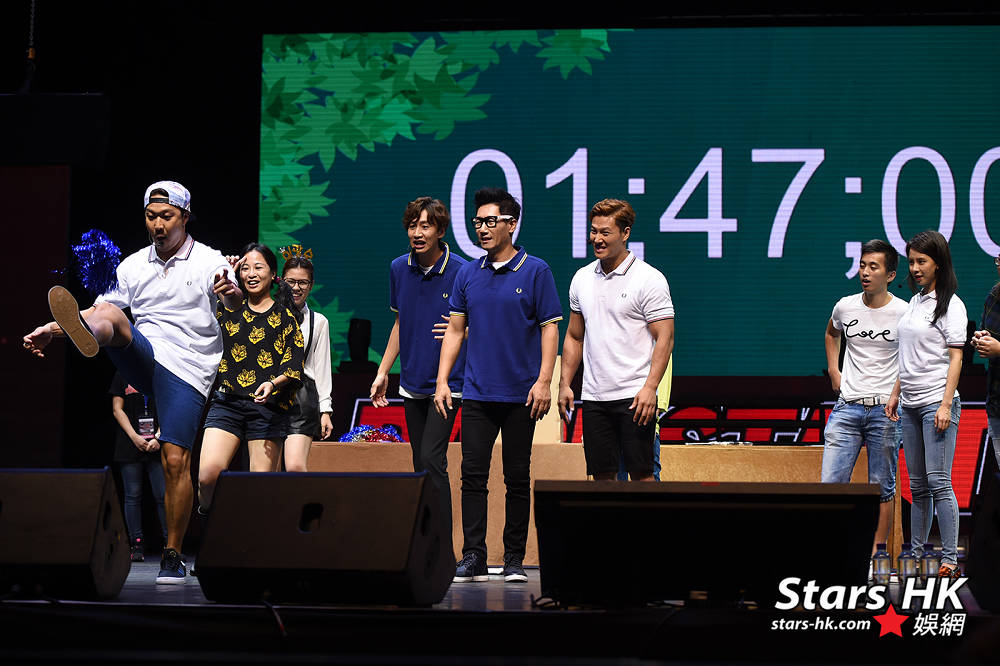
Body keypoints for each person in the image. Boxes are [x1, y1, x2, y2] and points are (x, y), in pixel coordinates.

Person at [23, 181, 241, 584]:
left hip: (189, 368)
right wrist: (52, 329)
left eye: (167, 216)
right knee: (108, 312)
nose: (158, 225)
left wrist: (229, 293)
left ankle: (173, 554)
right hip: (144, 355)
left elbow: (232, 299)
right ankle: (88, 335)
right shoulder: (132, 265)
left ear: (185, 217)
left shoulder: (210, 261)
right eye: (151, 216)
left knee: (174, 460)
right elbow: (96, 308)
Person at [434, 187, 562, 584]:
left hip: (522, 394)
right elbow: (455, 330)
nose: (482, 229)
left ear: (511, 224)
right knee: (472, 476)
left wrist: (544, 382)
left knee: (516, 478)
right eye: (478, 222)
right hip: (476, 393)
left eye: (490, 221)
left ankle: (514, 559)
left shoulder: (536, 270)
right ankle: (473, 556)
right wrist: (442, 380)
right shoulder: (468, 273)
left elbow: (550, 329)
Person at [557, 199, 674, 482]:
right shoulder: (581, 278)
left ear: (625, 233)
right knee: (602, 481)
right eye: (593, 231)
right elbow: (574, 336)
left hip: (635, 398)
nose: (597, 239)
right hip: (595, 398)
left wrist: (650, 388)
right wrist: (564, 384)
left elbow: (665, 337)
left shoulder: (649, 279)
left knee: (643, 477)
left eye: (605, 232)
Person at [371, 197, 467, 534]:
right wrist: (383, 371)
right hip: (412, 382)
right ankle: (427, 541)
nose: (417, 233)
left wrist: (464, 329)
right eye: (413, 226)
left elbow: (483, 321)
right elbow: (401, 323)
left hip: (448, 384)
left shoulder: (462, 271)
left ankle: (442, 544)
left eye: (425, 226)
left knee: (431, 458)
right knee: (420, 463)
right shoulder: (399, 268)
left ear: (440, 230)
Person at [197, 243, 305, 510]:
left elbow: (293, 366)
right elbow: (199, 303)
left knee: (261, 489)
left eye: (259, 267)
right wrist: (222, 270)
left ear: (273, 274)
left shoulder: (286, 317)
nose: (251, 274)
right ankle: (213, 522)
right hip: (227, 403)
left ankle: (257, 533)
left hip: (266, 409)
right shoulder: (226, 307)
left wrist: (273, 384)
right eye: (245, 268)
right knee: (207, 477)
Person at [886, 230, 966, 579]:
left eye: (922, 261)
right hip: (910, 404)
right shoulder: (916, 302)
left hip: (936, 402)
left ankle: (950, 559)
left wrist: (946, 405)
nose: (915, 268)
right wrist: (895, 393)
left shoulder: (951, 305)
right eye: (912, 261)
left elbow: (956, 358)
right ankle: (916, 556)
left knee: (939, 482)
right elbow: (908, 356)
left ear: (938, 263)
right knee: (917, 486)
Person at [820, 239, 906, 559]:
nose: (865, 272)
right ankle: (832, 551)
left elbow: (912, 357)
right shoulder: (845, 306)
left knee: (882, 486)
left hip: (885, 410)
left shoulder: (904, 312)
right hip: (847, 407)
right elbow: (831, 333)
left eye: (873, 267)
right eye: (862, 265)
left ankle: (875, 554)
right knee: (831, 483)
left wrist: (896, 393)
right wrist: (834, 371)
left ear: (890, 275)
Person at [281, 246, 334, 471]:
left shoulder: (318, 321)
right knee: (264, 473)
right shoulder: (267, 315)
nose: (296, 287)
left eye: (302, 282)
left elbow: (322, 369)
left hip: (301, 398)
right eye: (290, 281)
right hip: (266, 399)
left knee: (295, 467)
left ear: (311, 286)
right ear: (281, 282)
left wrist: (325, 411)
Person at [109, 371, 166, 562]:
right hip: (130, 442)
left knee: (162, 495)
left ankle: (169, 543)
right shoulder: (122, 373)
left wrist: (158, 436)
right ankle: (136, 543)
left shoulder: (161, 372)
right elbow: (117, 409)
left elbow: (170, 406)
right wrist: (134, 437)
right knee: (132, 495)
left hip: (157, 443)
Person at [970, 253, 1000, 474]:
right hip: (997, 404)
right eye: (999, 260)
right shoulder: (994, 296)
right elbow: (987, 332)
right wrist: (980, 339)